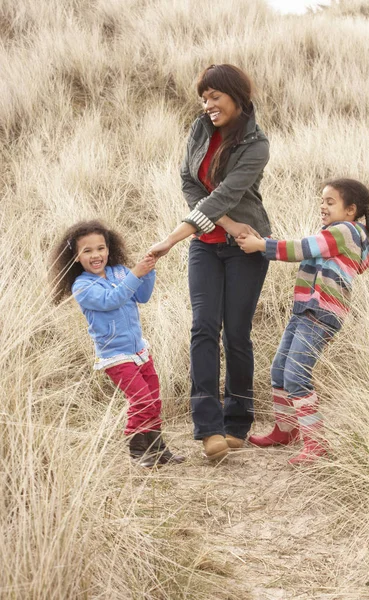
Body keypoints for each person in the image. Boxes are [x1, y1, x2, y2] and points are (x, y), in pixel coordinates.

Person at [149, 64, 271, 460]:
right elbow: (188, 179)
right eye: (204, 98)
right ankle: (208, 428)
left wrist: (171, 238)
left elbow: (225, 194)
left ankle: (237, 423)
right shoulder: (200, 128)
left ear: (236, 96)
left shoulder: (256, 144)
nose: (208, 105)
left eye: (215, 97)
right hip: (206, 242)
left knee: (236, 333)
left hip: (246, 247)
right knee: (203, 326)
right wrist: (226, 223)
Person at [237, 178, 369, 465]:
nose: (323, 206)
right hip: (305, 310)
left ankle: (316, 443)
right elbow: (366, 262)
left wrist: (260, 245)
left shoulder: (344, 231)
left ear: (350, 210)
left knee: (296, 376)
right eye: (322, 201)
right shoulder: (344, 233)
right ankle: (285, 430)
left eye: (330, 202)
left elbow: (302, 248)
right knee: (279, 370)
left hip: (322, 313)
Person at [49, 220, 185, 468]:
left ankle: (158, 449)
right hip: (116, 356)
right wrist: (136, 273)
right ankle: (136, 451)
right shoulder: (83, 286)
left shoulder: (119, 271)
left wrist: (149, 270)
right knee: (141, 401)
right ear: (76, 257)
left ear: (109, 248)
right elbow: (111, 300)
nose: (96, 255)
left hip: (139, 350)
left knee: (153, 400)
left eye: (100, 248)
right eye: (87, 251)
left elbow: (141, 296)